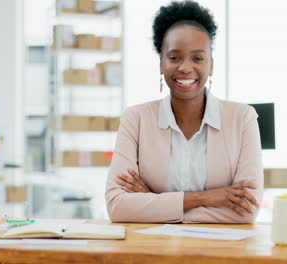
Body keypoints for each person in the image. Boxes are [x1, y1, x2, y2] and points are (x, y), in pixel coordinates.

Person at [105, 0, 263, 223]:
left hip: (220, 253)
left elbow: (246, 210)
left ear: (211, 65)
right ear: (161, 63)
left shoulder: (243, 118)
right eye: (174, 57)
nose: (185, 67)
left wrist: (152, 202)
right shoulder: (136, 119)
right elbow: (117, 207)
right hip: (153, 249)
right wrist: (205, 198)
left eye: (197, 58)